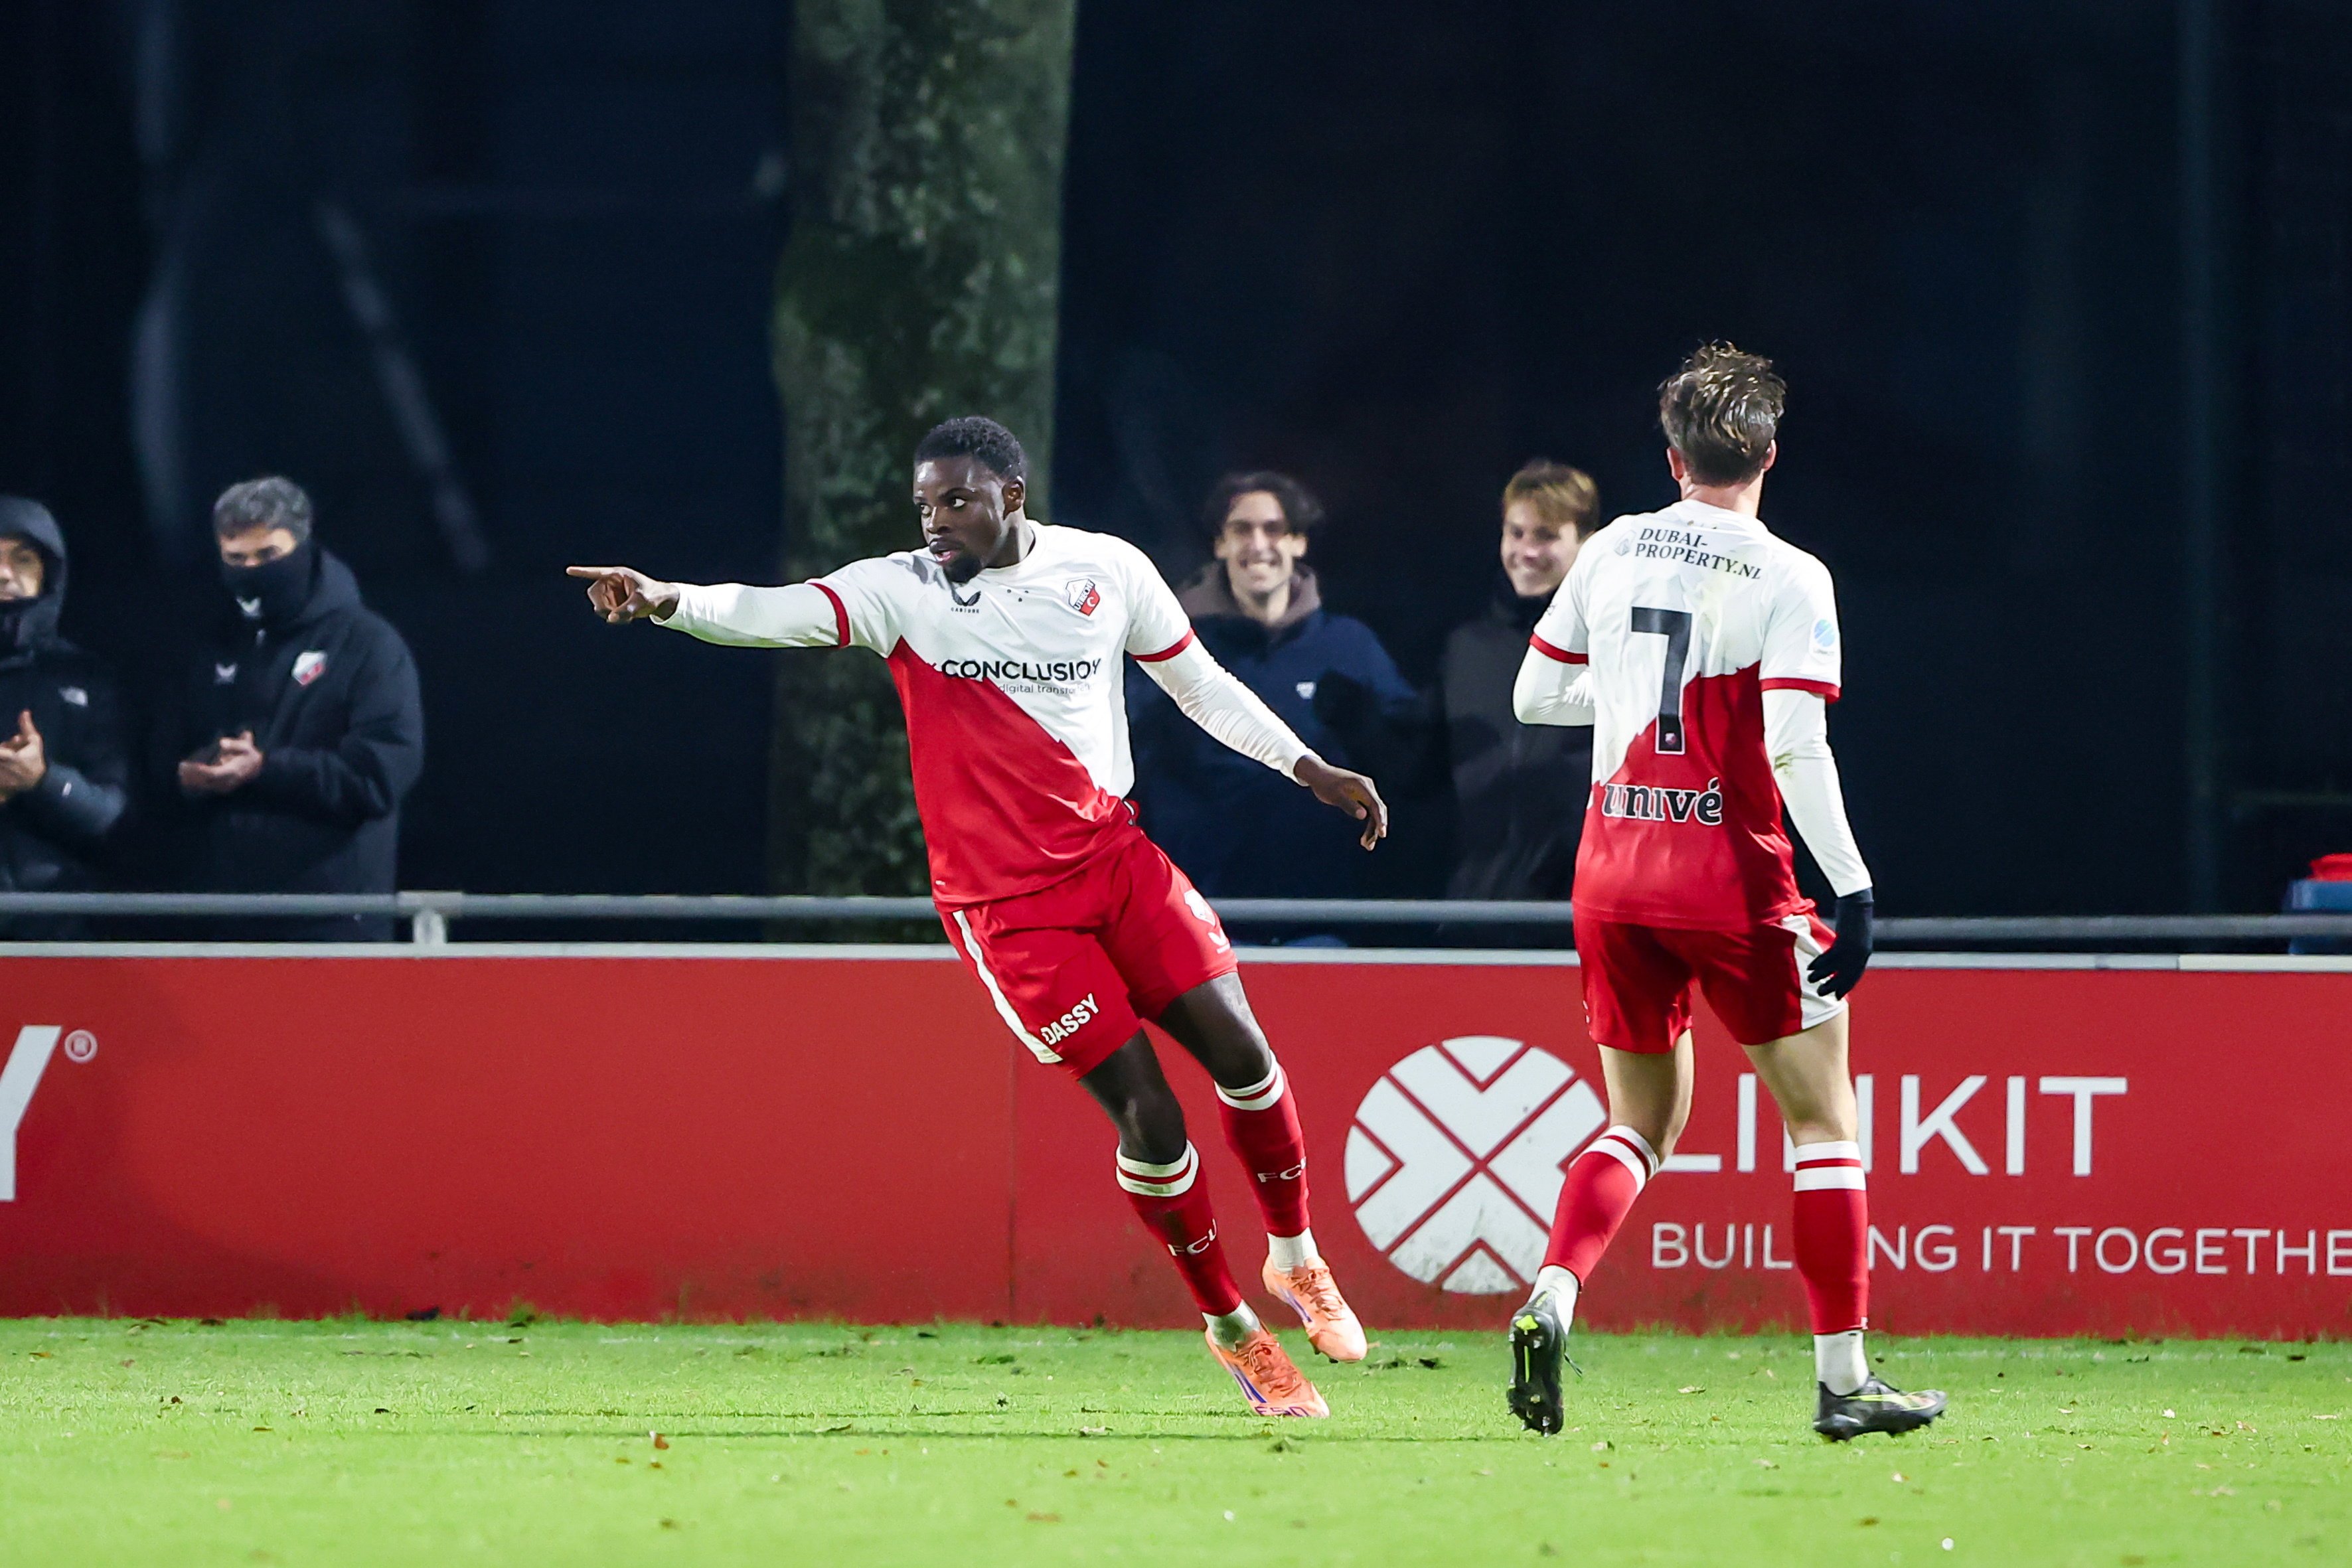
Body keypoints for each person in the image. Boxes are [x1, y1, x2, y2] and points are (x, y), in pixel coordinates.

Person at [569, 418, 1387, 1419]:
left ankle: (1295, 1259)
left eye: (954, 499)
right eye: (923, 503)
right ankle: (1232, 1332)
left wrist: (1305, 766)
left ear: (1011, 492)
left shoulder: (1106, 569)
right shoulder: (901, 591)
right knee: (1154, 1119)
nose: (935, 520)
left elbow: (1198, 687)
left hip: (1117, 861)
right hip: (1007, 912)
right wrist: (666, 601)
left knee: (1245, 1056)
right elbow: (773, 611)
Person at [1504, 345, 1944, 1441]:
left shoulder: (1609, 549)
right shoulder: (1790, 575)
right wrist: (1853, 887)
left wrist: (1633, 718)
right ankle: (1842, 1378)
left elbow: (1532, 695)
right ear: (1768, 453)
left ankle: (1551, 1294)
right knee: (1822, 1121)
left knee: (1638, 1122)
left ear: (1671, 455)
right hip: (1729, 879)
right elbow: (1797, 747)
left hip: (1609, 874)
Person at [1127, 473, 1415, 905]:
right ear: (1219, 544)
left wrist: (1366, 728)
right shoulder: (1174, 648)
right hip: (1199, 910)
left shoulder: (1350, 647)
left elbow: (1409, 767)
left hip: (1323, 914)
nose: (1257, 544)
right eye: (1241, 529)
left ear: (1299, 542)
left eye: (1274, 529)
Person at [165, 477, 425, 941]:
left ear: (303, 545)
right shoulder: (217, 645)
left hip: (335, 922)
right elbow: (169, 747)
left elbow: (380, 775)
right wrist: (195, 771)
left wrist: (265, 770)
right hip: (227, 921)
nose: (252, 571)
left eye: (267, 556)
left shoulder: (367, 644)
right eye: (236, 559)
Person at [1439, 461, 1600, 911]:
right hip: (1477, 909)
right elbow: (1421, 774)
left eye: (1545, 536)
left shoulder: (1614, 646)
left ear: (1585, 542)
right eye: (1516, 533)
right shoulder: (1466, 647)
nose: (1527, 551)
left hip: (1582, 910)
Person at [0, 498, 131, 939]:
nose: (4, 574)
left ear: (48, 573)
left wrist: (42, 780)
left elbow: (112, 817)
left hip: (55, 929)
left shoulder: (88, 678)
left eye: (22, 559)